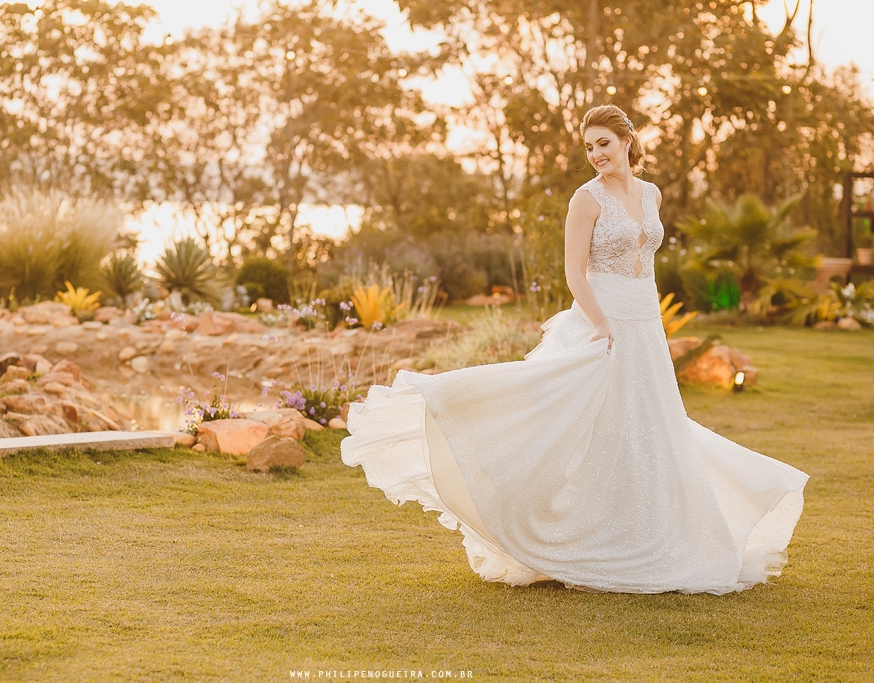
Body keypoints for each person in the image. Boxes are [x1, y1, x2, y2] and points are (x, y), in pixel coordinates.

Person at [340, 104, 809, 594]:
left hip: (645, 324)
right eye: (589, 147)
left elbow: (646, 262)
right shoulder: (585, 200)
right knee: (586, 426)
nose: (596, 154)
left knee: (649, 427)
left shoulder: (651, 193)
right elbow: (573, 271)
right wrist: (602, 323)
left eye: (603, 143)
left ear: (627, 140)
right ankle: (549, 514)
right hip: (600, 322)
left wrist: (648, 322)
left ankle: (650, 532)